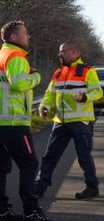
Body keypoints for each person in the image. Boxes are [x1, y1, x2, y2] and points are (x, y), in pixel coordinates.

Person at [35, 42, 103, 200]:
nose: (60, 55)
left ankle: (92, 187)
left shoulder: (87, 71)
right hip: (60, 121)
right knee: (50, 156)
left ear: (74, 52)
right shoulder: (58, 73)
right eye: (59, 52)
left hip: (81, 121)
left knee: (84, 157)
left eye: (63, 52)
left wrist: (85, 97)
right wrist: (44, 106)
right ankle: (39, 187)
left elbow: (97, 92)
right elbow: (50, 94)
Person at [0, 21, 49, 221]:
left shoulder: (2, 54)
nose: (28, 36)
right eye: (25, 33)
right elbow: (19, 83)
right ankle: (30, 210)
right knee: (29, 166)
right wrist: (36, 76)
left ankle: (2, 210)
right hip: (14, 124)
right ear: (13, 37)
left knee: (1, 169)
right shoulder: (17, 56)